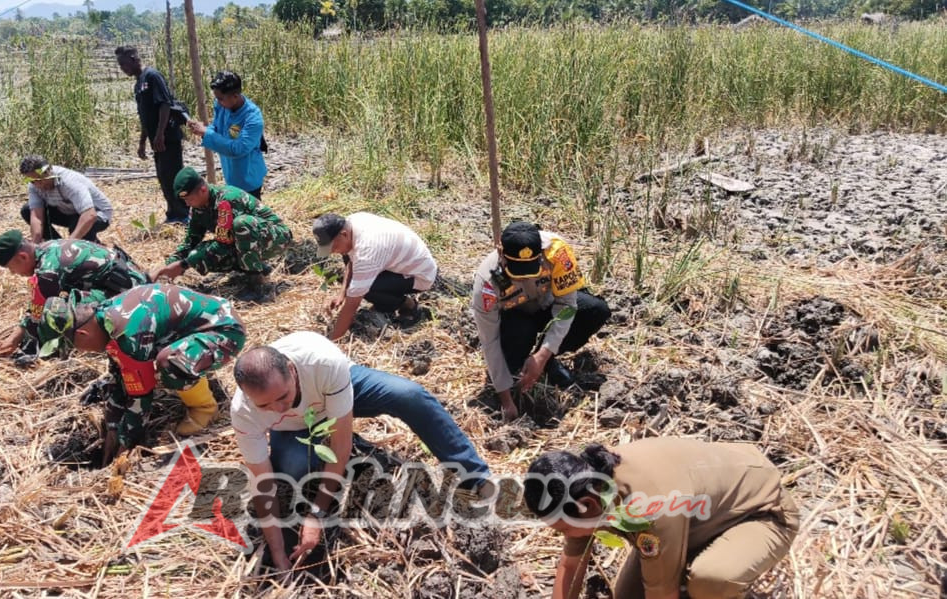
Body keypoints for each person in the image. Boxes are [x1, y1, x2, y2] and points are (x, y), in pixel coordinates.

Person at [230, 331, 491, 569]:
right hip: (294, 429)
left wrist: (317, 513)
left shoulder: (321, 361)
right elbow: (262, 484)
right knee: (294, 469)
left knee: (409, 396)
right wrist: (277, 555)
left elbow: (340, 446)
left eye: (283, 397)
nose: (278, 408)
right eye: (265, 406)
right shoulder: (243, 412)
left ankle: (477, 476)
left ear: (291, 369)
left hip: (333, 390)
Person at [523, 438, 799, 599]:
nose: (565, 535)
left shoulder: (650, 508)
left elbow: (662, 593)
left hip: (759, 514)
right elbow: (571, 566)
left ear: (586, 506)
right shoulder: (587, 486)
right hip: (694, 524)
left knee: (710, 580)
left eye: (564, 528)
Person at [38, 283, 245, 465]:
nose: (81, 351)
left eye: (75, 347)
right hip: (197, 328)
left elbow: (141, 396)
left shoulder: (129, 333)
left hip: (224, 331)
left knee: (171, 364)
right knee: (154, 363)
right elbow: (120, 375)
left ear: (82, 334)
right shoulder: (105, 319)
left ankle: (205, 408)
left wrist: (126, 441)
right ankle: (194, 370)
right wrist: (112, 426)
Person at [471, 221, 610, 420]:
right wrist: (506, 400)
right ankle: (517, 367)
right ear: (501, 253)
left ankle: (546, 363)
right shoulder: (487, 281)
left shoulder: (557, 252)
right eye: (518, 269)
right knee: (521, 332)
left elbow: (567, 306)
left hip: (547, 307)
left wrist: (543, 355)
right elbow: (489, 340)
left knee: (595, 310)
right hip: (515, 320)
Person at [0, 230, 149, 359]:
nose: (13, 273)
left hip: (131, 294)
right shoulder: (47, 248)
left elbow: (39, 312)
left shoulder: (48, 270)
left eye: (11, 268)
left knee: (60, 312)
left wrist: (15, 341)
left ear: (23, 257)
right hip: (127, 281)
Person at [150, 167, 290, 297]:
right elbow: (191, 240)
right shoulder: (199, 208)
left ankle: (257, 284)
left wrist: (185, 264)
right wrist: (168, 266)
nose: (187, 204)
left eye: (190, 199)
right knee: (201, 252)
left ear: (203, 190)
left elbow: (225, 244)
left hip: (275, 238)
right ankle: (257, 267)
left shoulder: (227, 200)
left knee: (241, 225)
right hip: (248, 242)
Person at [313, 212, 435, 340]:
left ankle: (407, 305)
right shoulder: (351, 222)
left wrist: (333, 340)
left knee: (367, 288)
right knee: (347, 256)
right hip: (397, 262)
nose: (332, 252)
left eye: (334, 247)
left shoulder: (367, 250)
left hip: (420, 274)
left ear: (343, 234)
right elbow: (352, 260)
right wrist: (342, 293)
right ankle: (387, 299)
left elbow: (352, 303)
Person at [115, 45, 188, 225]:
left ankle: (184, 214)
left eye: (124, 64)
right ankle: (173, 213)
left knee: (174, 176)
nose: (122, 69)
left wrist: (160, 134)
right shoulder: (139, 83)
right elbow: (145, 117)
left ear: (133, 58)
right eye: (120, 65)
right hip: (156, 141)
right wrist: (142, 143)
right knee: (163, 176)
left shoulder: (152, 76)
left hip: (167, 138)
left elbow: (165, 105)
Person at [187, 70, 267, 197]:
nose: (218, 102)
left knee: (248, 215)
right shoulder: (223, 106)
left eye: (221, 99)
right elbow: (217, 128)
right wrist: (203, 130)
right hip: (231, 174)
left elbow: (238, 149)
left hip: (248, 178)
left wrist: (206, 133)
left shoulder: (252, 117)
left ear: (235, 96)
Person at [18, 155, 113, 243]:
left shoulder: (68, 181)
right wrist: (35, 245)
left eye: (40, 179)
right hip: (68, 211)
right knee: (27, 211)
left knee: (77, 225)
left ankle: (86, 247)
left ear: (48, 171)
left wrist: (68, 244)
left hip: (98, 214)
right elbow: (37, 217)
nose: (38, 185)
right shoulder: (34, 186)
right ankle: (54, 247)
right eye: (33, 181)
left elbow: (90, 215)